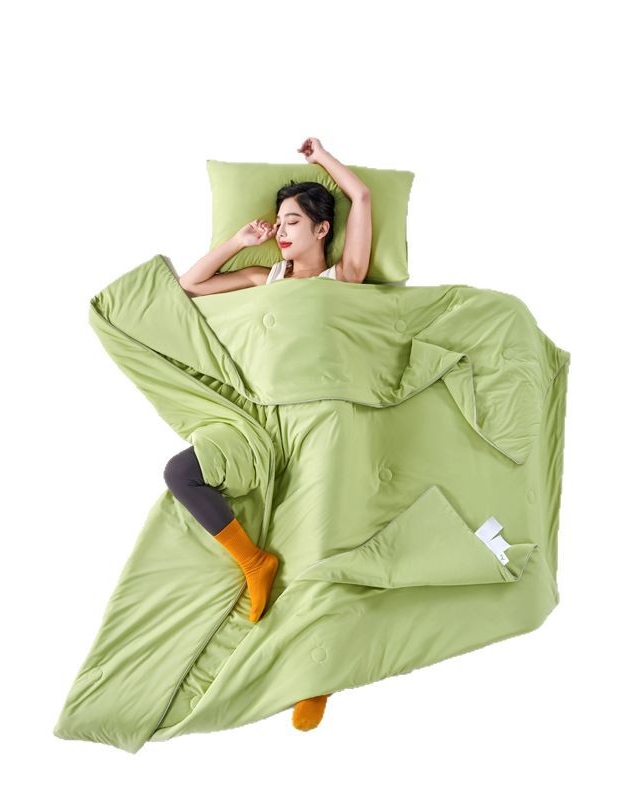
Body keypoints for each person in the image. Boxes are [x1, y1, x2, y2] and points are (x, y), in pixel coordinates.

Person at [166, 137, 372, 730]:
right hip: (266, 419)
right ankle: (253, 562)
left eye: (292, 221)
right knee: (183, 472)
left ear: (322, 229)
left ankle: (317, 678)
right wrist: (238, 242)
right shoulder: (267, 276)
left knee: (318, 553)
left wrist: (322, 157)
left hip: (324, 424)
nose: (281, 231)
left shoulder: (343, 276)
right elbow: (190, 287)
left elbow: (360, 196)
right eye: (278, 222)